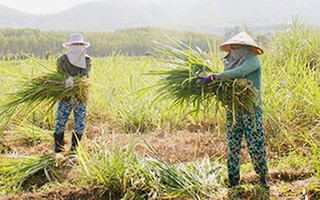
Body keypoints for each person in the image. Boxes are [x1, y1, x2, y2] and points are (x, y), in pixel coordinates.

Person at [199, 31, 269, 187]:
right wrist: (216, 86)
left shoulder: (253, 61)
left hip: (251, 111)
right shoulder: (230, 62)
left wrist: (216, 76)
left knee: (256, 145)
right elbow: (228, 82)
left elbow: (239, 73)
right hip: (234, 111)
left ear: (246, 47)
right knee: (233, 146)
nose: (235, 49)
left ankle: (263, 177)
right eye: (233, 47)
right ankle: (233, 180)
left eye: (239, 46)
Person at [53, 33, 92, 153]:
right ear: (70, 46)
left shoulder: (86, 59)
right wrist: (66, 80)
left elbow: (84, 74)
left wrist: (73, 80)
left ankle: (74, 149)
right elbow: (60, 74)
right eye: (74, 44)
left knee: (80, 121)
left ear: (82, 45)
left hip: (80, 95)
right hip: (65, 95)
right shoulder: (62, 60)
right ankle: (58, 148)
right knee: (60, 120)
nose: (77, 46)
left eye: (79, 44)